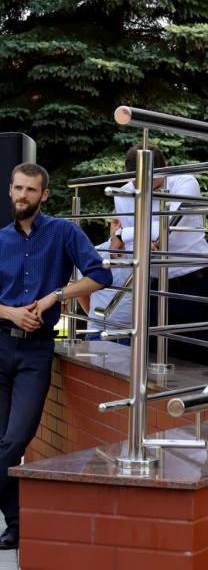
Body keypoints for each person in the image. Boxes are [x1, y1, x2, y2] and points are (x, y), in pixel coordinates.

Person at [0, 162, 112, 548]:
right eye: (17, 188)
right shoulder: (0, 240)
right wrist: (10, 313)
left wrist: (56, 295)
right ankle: (17, 524)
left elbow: (100, 275)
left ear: (44, 194)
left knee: (15, 440)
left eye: (30, 190)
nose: (22, 196)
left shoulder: (64, 232)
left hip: (36, 351)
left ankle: (18, 522)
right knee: (1, 442)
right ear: (10, 189)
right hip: (1, 343)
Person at [111, 144, 208, 367]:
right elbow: (136, 243)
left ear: (166, 167)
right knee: (152, 358)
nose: (146, 187)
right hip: (153, 285)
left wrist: (122, 234)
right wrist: (137, 238)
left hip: (194, 282)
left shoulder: (186, 182)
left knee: (196, 358)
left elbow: (166, 227)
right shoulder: (123, 193)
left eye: (152, 180)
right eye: (139, 183)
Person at [77, 233, 133, 345]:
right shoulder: (94, 252)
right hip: (98, 331)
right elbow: (81, 292)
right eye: (115, 224)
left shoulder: (140, 254)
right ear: (110, 226)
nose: (120, 228)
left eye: (123, 225)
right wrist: (96, 317)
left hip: (131, 333)